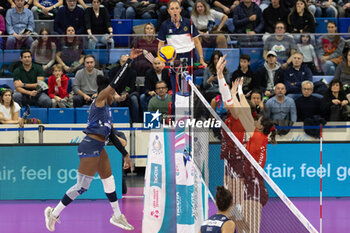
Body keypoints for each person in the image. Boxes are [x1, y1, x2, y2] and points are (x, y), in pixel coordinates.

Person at [44, 48, 142, 232]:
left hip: (100, 146)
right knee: (82, 186)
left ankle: (116, 215)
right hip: (90, 145)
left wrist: (126, 154)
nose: (115, 97)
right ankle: (53, 213)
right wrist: (129, 62)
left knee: (109, 179)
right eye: (114, 94)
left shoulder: (108, 112)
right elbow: (116, 83)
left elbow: (111, 135)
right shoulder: (100, 100)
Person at [217, 55, 276, 233]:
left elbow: (234, 106)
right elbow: (241, 109)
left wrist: (222, 78)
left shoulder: (250, 130)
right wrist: (239, 92)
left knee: (245, 218)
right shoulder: (255, 130)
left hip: (249, 179)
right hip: (242, 172)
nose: (255, 119)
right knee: (237, 211)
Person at [158, 0, 207, 113]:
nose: (175, 11)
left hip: (189, 56)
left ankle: (190, 116)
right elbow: (160, 44)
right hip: (173, 58)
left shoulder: (188, 23)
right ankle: (177, 118)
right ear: (168, 11)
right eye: (172, 9)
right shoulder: (165, 25)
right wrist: (162, 61)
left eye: (177, 8)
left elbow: (197, 42)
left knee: (189, 89)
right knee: (176, 90)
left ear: (180, 9)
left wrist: (201, 59)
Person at [109, 54, 140, 123]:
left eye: (127, 62)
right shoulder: (113, 71)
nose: (125, 64)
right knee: (113, 101)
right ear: (120, 62)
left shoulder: (133, 72)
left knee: (134, 99)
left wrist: (125, 93)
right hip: (114, 93)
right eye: (123, 61)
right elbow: (111, 85)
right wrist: (115, 94)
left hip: (128, 93)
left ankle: (136, 123)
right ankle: (115, 122)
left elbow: (130, 86)